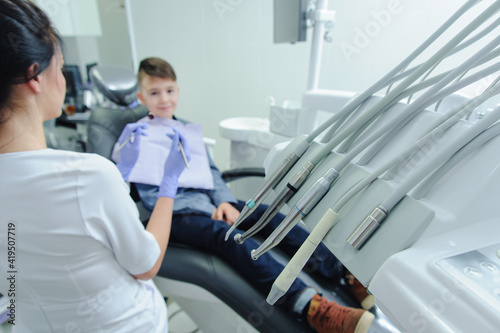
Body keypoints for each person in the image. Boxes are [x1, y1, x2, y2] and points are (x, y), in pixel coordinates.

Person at [114, 57, 375, 333]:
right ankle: (311, 307)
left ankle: (340, 271)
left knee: (270, 216)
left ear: (177, 91)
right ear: (142, 97)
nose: (164, 99)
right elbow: (138, 192)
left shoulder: (187, 131)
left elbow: (212, 174)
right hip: (176, 215)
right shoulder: (135, 137)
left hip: (208, 202)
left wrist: (223, 201)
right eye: (155, 93)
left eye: (169, 90)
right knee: (227, 237)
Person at [0, 1, 188, 332]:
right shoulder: (88, 175)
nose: (61, 79)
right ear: (34, 76)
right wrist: (169, 182)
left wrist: (121, 176)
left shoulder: (90, 178)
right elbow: (145, 265)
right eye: (59, 68)